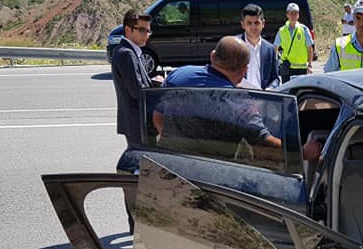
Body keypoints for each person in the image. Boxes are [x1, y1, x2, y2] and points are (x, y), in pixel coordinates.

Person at [154, 37, 283, 149]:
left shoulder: (178, 75)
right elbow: (264, 143)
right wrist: (299, 152)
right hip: (209, 173)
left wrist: (174, 140)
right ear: (244, 70)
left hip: (166, 163)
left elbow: (157, 115)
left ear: (212, 56)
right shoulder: (239, 102)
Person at [112, 9, 161, 151]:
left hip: (136, 122)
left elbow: (134, 83)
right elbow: (137, 91)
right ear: (128, 29)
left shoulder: (130, 51)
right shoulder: (126, 54)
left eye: (148, 31)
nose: (146, 35)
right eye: (142, 30)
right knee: (142, 167)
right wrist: (157, 85)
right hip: (137, 123)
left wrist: (151, 80)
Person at [238, 4, 280, 90]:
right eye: (249, 23)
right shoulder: (234, 46)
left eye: (256, 23)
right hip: (239, 99)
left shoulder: (270, 49)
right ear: (243, 24)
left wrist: (270, 89)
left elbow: (275, 79)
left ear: (263, 23)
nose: (253, 27)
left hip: (262, 99)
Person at [274, 3, 314, 83]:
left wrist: (309, 65)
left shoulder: (304, 29)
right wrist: (276, 64)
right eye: (291, 13)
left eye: (295, 13)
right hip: (286, 67)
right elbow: (275, 48)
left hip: (301, 69)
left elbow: (309, 48)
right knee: (287, 92)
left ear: (298, 15)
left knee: (299, 92)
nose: (293, 16)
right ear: (287, 15)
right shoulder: (282, 30)